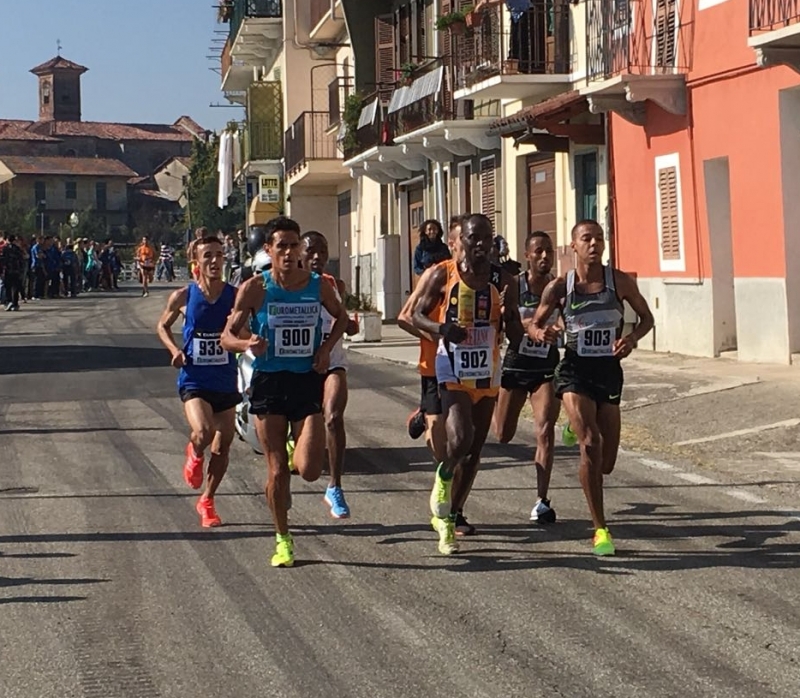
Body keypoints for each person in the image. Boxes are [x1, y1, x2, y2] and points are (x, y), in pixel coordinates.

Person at [221, 217, 348, 568]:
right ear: (269, 251)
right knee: (277, 472)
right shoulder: (254, 289)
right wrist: (247, 343)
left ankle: (292, 461)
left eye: (295, 246)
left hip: (306, 380)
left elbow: (342, 318)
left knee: (308, 469)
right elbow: (226, 336)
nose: (290, 253)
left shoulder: (319, 286)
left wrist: (325, 349)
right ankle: (283, 539)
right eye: (283, 246)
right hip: (269, 383)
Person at [530, 219, 654, 556]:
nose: (594, 244)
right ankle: (600, 528)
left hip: (608, 371)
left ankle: (576, 424)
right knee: (590, 443)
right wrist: (544, 334)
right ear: (574, 246)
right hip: (574, 370)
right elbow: (535, 325)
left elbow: (647, 319)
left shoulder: (620, 281)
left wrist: (631, 339)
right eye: (587, 239)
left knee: (607, 462)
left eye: (599, 238)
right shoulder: (560, 288)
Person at [410, 213, 524, 554]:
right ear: (461, 241)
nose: (479, 246)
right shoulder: (442, 275)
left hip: (486, 369)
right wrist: (442, 329)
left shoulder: (503, 281)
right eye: (473, 239)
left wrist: (509, 314)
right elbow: (416, 314)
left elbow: (515, 337)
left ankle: (450, 515)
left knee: (474, 451)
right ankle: (443, 484)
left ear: (492, 244)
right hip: (451, 367)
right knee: (461, 438)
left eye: (485, 240)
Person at [156, 235, 242, 528]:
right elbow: (162, 325)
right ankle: (193, 452)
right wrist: (174, 350)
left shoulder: (236, 295)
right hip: (194, 377)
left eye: (219, 255)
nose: (215, 261)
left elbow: (251, 324)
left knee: (223, 445)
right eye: (208, 256)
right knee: (203, 431)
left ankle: (207, 499)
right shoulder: (184, 296)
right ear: (197, 261)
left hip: (225, 379)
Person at [493, 230, 562, 524]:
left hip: (546, 367)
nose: (545, 256)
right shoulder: (515, 286)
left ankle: (542, 501)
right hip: (516, 365)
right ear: (527, 256)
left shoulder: (561, 288)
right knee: (503, 435)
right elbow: (507, 324)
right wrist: (531, 325)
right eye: (538, 251)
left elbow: (570, 318)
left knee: (545, 430)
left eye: (548, 250)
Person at [300, 231, 359, 518]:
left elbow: (342, 318)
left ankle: (335, 486)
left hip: (333, 361)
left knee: (334, 418)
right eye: (310, 252)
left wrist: (348, 327)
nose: (317, 258)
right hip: (299, 367)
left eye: (322, 252)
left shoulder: (334, 284)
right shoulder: (287, 286)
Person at [1, 234, 25, 311]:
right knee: (15, 287)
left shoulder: (5, 249)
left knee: (8, 287)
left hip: (8, 270)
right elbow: (21, 260)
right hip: (16, 270)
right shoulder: (17, 249)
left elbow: (3, 260)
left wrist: (2, 270)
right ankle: (15, 303)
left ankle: (8, 301)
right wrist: (21, 269)